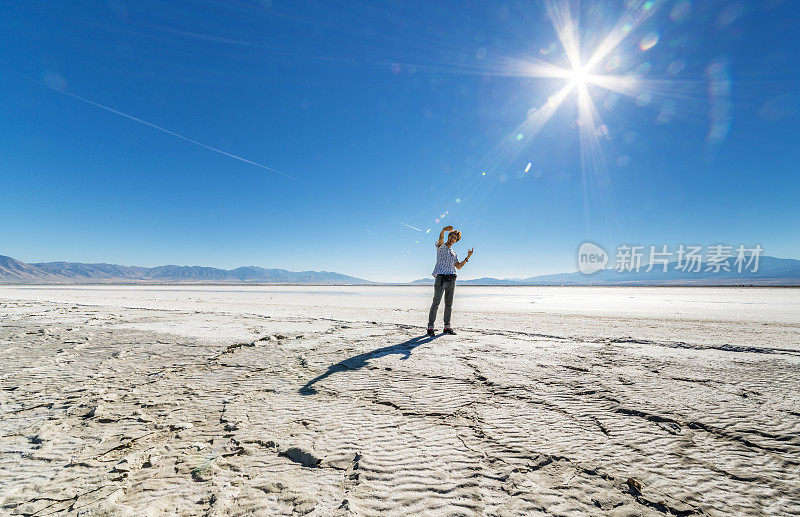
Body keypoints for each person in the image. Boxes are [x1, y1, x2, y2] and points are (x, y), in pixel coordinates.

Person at [427, 225, 473, 337]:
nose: (453, 239)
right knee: (436, 303)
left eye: (455, 238)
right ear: (449, 236)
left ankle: (447, 327)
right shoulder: (441, 246)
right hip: (441, 278)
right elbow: (441, 238)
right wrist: (443, 230)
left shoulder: (454, 253)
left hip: (452, 279)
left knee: (449, 305)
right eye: (452, 236)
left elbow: (458, 266)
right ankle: (430, 327)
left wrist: (467, 257)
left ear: (457, 240)